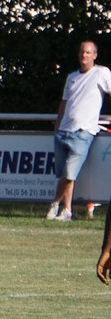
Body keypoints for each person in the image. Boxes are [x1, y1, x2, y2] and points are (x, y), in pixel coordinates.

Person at [47, 40, 111, 221]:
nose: (84, 55)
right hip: (63, 131)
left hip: (83, 132)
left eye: (88, 52)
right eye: (82, 52)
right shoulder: (71, 77)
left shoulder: (101, 73)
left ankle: (54, 204)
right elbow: (64, 103)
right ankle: (67, 210)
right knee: (65, 175)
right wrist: (57, 125)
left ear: (95, 55)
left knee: (69, 172)